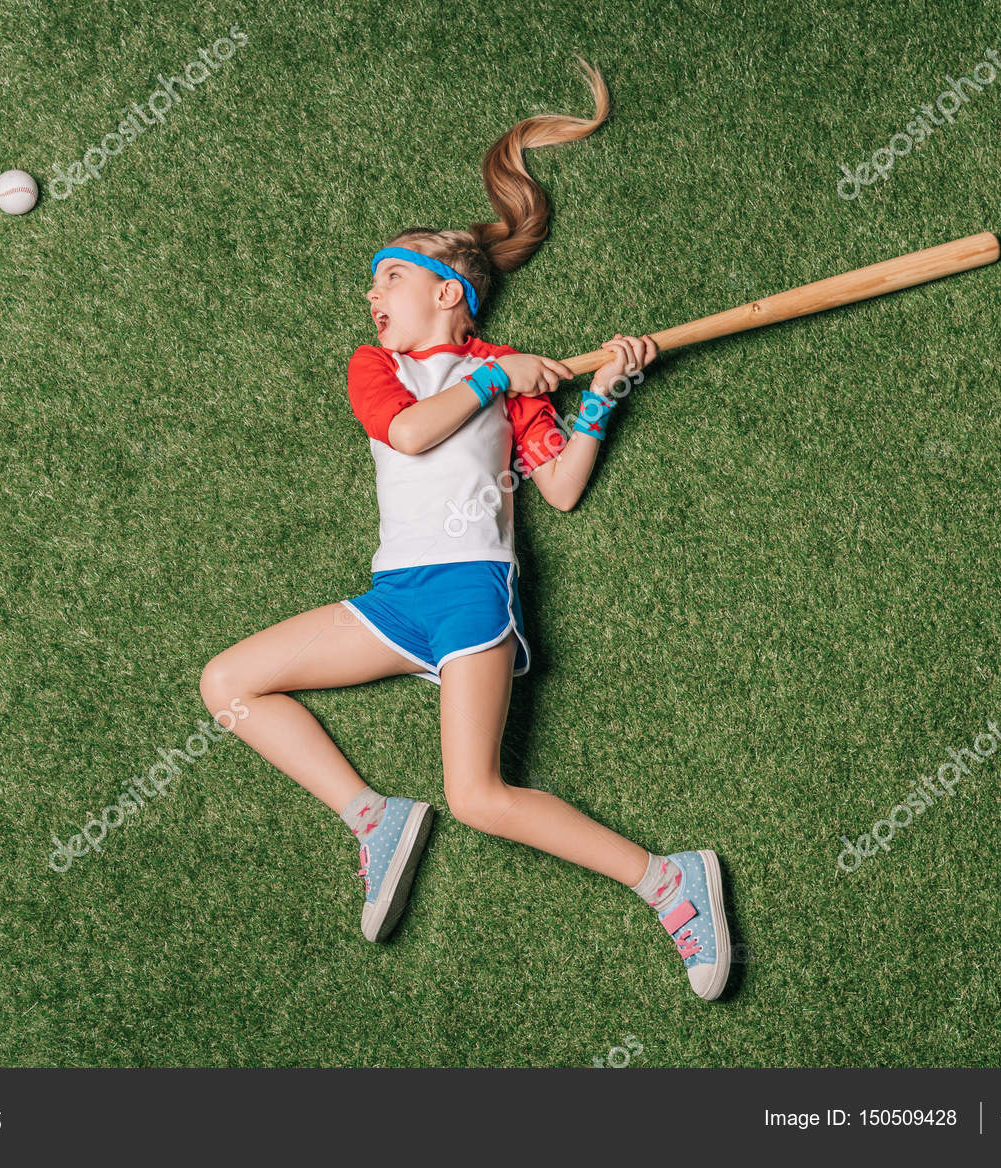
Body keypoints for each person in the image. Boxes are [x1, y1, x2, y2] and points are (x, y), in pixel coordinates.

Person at [199, 58, 730, 1000]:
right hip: (395, 598)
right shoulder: (384, 369)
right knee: (227, 683)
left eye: (391, 277)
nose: (374, 297)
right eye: (374, 285)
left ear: (449, 291)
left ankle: (669, 881)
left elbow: (559, 489)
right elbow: (408, 435)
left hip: (470, 592)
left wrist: (605, 392)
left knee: (479, 797)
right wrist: (493, 379)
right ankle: (372, 818)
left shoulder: (513, 376)